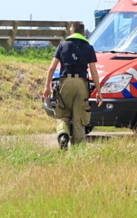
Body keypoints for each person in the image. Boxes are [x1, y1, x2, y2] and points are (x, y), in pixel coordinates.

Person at [43, 21, 103, 149]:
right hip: (81, 84)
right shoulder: (88, 47)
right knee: (78, 118)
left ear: (71, 31)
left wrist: (47, 87)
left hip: (65, 82)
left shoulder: (62, 45)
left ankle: (63, 135)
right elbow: (93, 71)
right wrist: (98, 91)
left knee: (63, 113)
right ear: (83, 32)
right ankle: (78, 149)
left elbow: (52, 68)